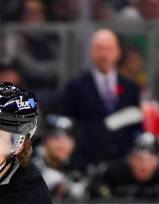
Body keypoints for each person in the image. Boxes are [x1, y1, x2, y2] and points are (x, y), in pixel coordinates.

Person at [59, 28, 142, 165]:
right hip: (87, 161)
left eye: (109, 49)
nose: (104, 54)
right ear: (91, 52)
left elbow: (136, 125)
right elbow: (68, 124)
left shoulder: (131, 88)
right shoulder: (76, 87)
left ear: (118, 53)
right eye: (99, 49)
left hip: (122, 163)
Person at [89, 131, 159, 201]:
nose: (142, 165)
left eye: (149, 160)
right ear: (130, 159)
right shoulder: (113, 175)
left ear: (158, 161)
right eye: (138, 158)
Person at [32, 114, 87, 201]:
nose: (62, 142)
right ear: (44, 139)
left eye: (68, 137)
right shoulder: (29, 167)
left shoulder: (80, 167)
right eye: (55, 136)